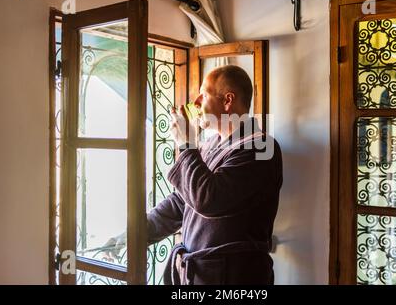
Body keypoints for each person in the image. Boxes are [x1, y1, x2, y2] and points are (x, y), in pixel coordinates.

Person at [106, 65, 283, 285]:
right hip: (198, 276)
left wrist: (186, 144)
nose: (196, 102)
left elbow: (208, 200)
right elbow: (180, 203)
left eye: (204, 94)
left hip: (236, 278)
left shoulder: (261, 149)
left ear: (228, 100)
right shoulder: (211, 145)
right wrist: (130, 237)